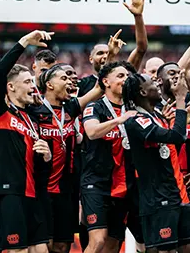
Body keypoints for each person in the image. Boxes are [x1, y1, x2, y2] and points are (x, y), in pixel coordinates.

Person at [0, 30, 53, 253]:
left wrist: (46, 156)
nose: (33, 86)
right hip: (9, 193)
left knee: (42, 250)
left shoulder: (30, 118)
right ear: (11, 87)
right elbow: (1, 73)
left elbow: (39, 167)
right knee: (18, 251)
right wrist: (24, 42)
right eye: (27, 82)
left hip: (32, 194)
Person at [122, 70, 190, 253]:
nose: (157, 84)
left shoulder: (158, 116)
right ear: (142, 92)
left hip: (178, 192)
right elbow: (177, 136)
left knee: (189, 248)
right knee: (165, 250)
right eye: (152, 82)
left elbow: (172, 148)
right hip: (159, 198)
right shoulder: (136, 120)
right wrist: (180, 99)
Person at [33, 63, 103, 253]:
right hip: (40, 189)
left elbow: (99, 88)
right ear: (49, 84)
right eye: (63, 78)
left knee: (62, 246)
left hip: (66, 189)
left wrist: (111, 57)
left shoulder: (71, 108)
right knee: (43, 245)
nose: (70, 82)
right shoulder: (33, 111)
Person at [81, 61, 140, 253]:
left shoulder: (134, 108)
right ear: (106, 81)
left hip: (124, 186)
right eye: (120, 76)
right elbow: (91, 132)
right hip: (96, 183)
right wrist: (118, 120)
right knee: (98, 241)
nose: (126, 80)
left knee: (114, 244)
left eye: (128, 77)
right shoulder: (94, 107)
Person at [78, 0, 147, 97]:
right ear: (90, 59)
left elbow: (141, 49)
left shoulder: (124, 76)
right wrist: (111, 54)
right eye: (100, 53)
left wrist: (138, 17)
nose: (105, 56)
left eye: (107, 53)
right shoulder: (82, 84)